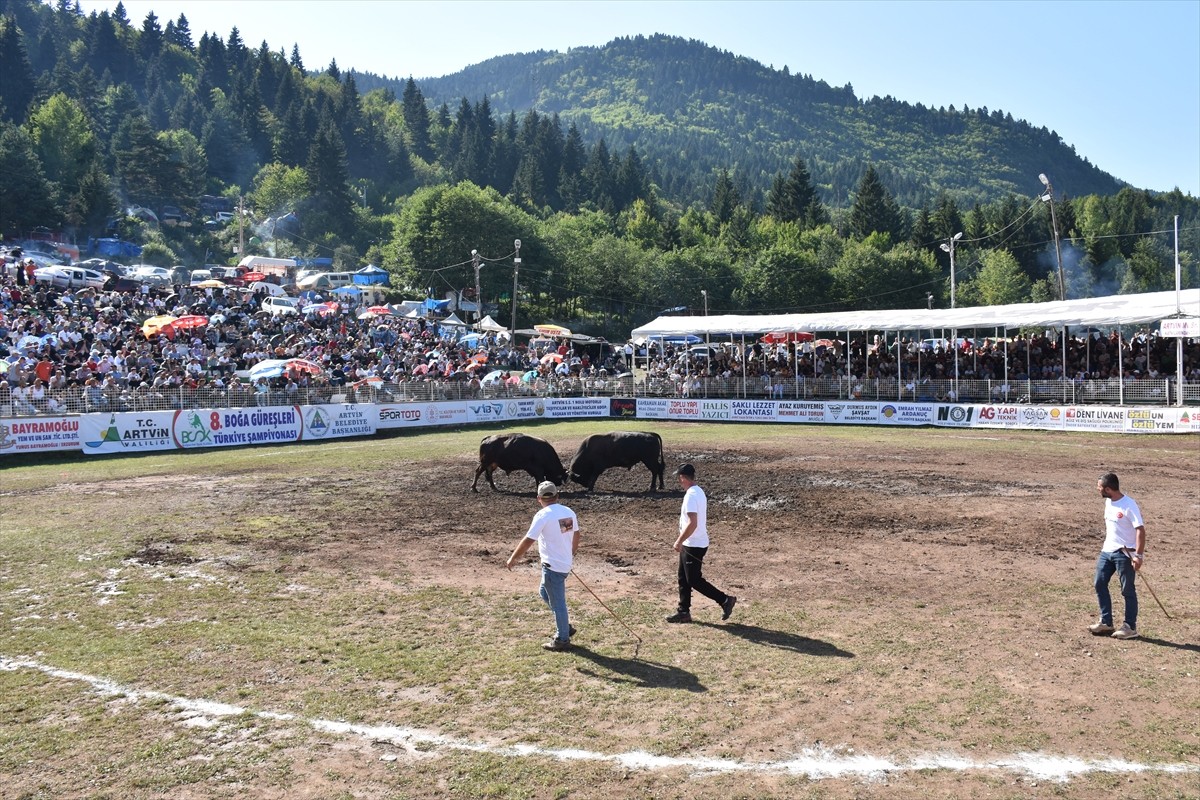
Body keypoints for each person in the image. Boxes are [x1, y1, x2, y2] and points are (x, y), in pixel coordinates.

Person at [506, 481, 581, 652]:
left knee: (558, 602)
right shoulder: (566, 512)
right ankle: (565, 627)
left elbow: (528, 540)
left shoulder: (543, 515)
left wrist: (513, 558)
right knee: (544, 592)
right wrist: (571, 553)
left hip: (553, 567)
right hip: (563, 565)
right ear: (557, 495)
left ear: (539, 498)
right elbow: (575, 534)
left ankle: (563, 638)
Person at [666, 464, 736, 623]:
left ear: (683, 478)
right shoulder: (699, 491)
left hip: (694, 544)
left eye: (680, 478)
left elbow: (692, 523)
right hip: (695, 542)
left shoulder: (691, 495)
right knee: (683, 577)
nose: (679, 481)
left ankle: (725, 600)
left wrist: (679, 541)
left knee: (694, 580)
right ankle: (683, 611)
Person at [1090, 472, 1146, 640]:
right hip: (1107, 551)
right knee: (1099, 583)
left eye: (1100, 487)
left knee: (1127, 589)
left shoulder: (1129, 505)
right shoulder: (1108, 502)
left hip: (1125, 554)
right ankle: (1106, 622)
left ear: (1108, 489)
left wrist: (1139, 555)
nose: (1098, 489)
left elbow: (1140, 530)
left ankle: (1130, 627)